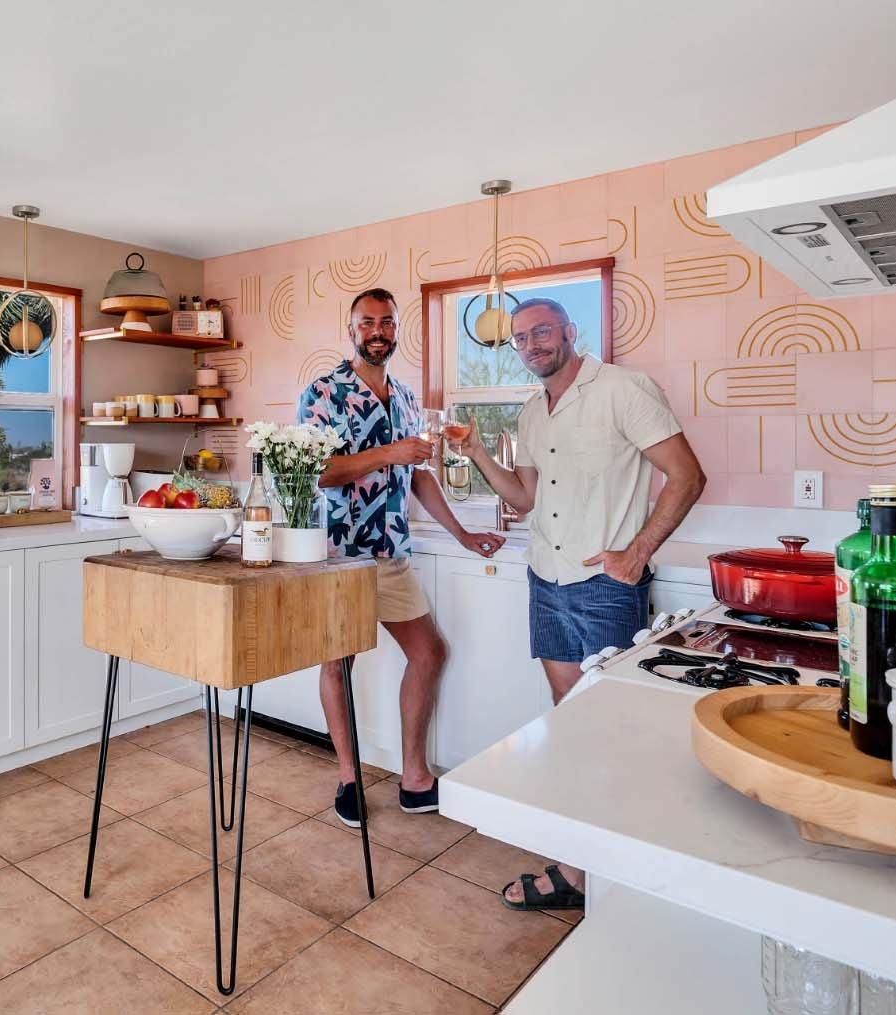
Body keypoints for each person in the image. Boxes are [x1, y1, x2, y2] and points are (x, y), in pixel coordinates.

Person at [456, 296, 707, 910]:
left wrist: (638, 551)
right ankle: (585, 861)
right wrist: (476, 452)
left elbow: (687, 475)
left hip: (603, 586)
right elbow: (524, 499)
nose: (532, 344)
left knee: (612, 731)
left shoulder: (623, 389)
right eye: (520, 338)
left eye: (542, 331)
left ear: (570, 332)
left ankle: (602, 867)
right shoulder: (531, 414)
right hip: (546, 578)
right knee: (571, 722)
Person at [297, 288, 507, 824]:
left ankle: (414, 778)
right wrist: (390, 452)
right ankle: (348, 778)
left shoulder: (409, 399)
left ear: (396, 330)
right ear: (351, 329)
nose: (378, 331)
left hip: (391, 550)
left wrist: (462, 533)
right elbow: (319, 472)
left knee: (429, 653)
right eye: (367, 322)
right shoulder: (324, 392)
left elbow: (417, 475)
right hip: (337, 552)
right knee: (337, 662)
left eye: (387, 322)